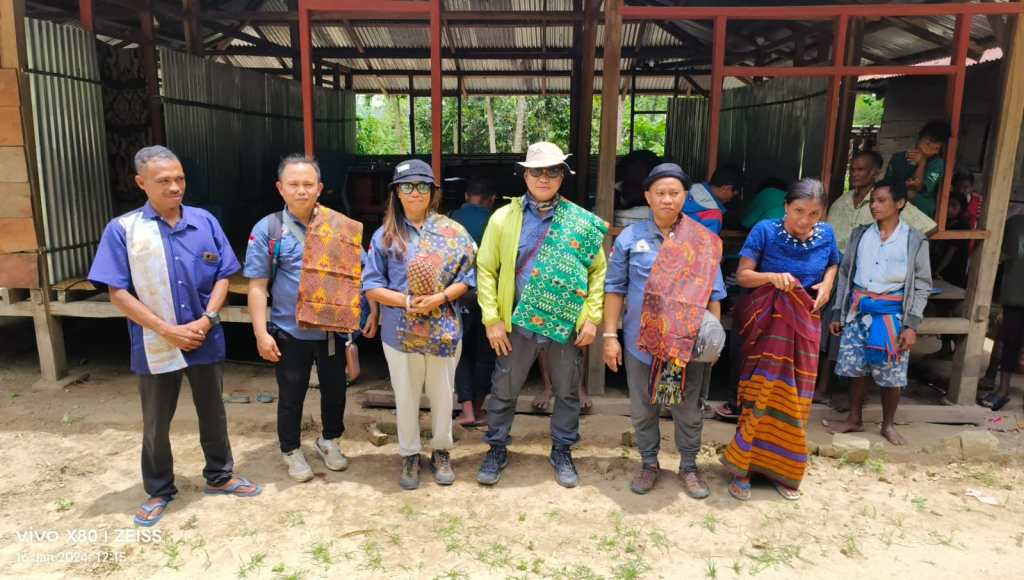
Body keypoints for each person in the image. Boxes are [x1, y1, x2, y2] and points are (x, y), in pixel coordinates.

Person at [88, 146, 261, 527]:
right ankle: (159, 489)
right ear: (141, 183)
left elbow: (224, 275)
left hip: (203, 336)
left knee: (213, 410)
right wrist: (167, 330)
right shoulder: (124, 230)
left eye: (179, 178)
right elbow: (117, 292)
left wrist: (208, 318)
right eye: (163, 180)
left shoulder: (204, 221)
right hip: (156, 341)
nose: (174, 187)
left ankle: (220, 475)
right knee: (156, 419)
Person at [475, 142, 607, 488]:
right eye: (537, 171)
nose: (544, 178)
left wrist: (592, 317)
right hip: (516, 324)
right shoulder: (503, 219)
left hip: (565, 323)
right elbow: (486, 269)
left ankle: (562, 450)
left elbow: (597, 272)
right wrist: (492, 319)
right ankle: (496, 448)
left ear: (563, 176)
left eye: (553, 171)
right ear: (525, 175)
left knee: (567, 390)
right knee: (504, 388)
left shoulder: (580, 222)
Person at [245, 154, 376, 483]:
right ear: (280, 188)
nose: (301, 190)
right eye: (294, 184)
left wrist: (372, 310)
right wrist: (261, 333)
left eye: (308, 184)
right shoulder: (269, 229)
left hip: (332, 331)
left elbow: (363, 272)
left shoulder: (340, 227)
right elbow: (258, 286)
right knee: (291, 393)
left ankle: (329, 440)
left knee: (335, 391)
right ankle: (291, 449)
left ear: (320, 188)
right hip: (290, 331)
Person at [603, 163, 727, 497]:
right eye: (660, 193)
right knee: (644, 408)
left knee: (686, 409)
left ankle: (689, 466)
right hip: (640, 344)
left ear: (685, 196)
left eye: (674, 193)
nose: (667, 199)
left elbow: (713, 295)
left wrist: (713, 343)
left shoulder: (703, 241)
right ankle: (648, 463)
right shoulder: (630, 238)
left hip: (685, 345)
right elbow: (614, 289)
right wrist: (610, 337)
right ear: (648, 197)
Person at [721, 178, 840, 501]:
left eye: (813, 214)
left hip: (806, 323)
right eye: (798, 211)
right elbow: (743, 275)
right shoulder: (765, 231)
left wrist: (827, 285)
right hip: (767, 326)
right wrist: (772, 277)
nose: (805, 220)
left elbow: (833, 263)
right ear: (786, 206)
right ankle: (743, 469)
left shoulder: (826, 234)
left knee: (796, 399)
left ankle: (782, 471)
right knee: (759, 394)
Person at [363, 159, 477, 490]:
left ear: (432, 192)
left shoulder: (453, 232)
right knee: (406, 396)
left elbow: (468, 278)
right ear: (397, 193)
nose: (415, 192)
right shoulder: (385, 236)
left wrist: (440, 298)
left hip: (443, 329)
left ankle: (441, 451)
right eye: (407, 186)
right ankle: (410, 454)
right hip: (400, 331)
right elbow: (371, 285)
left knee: (442, 395)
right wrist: (407, 301)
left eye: (422, 186)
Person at [827, 181, 932, 446]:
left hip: (891, 317)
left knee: (892, 374)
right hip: (858, 311)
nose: (874, 205)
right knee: (857, 368)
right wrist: (838, 312)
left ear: (900, 204)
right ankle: (854, 419)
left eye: (882, 200)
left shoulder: (914, 240)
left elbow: (922, 284)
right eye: (873, 200)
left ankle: (888, 425)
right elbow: (845, 274)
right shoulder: (861, 235)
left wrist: (912, 325)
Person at [450, 178, 497, 426]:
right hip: (489, 295)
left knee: (461, 353)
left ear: (467, 196)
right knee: (486, 353)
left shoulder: (450, 219)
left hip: (458, 294)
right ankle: (478, 410)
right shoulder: (496, 220)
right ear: (491, 199)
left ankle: (466, 410)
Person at [829, 150, 936, 254]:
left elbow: (928, 227)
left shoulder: (888, 199)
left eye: (860, 170)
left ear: (875, 173)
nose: (854, 174)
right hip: (839, 263)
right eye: (852, 170)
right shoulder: (842, 201)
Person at [981, 214, 1024, 411]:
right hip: (1014, 295)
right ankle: (1003, 389)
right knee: (1009, 342)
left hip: (1014, 293)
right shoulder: (1015, 224)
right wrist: (999, 302)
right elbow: (999, 257)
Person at [929, 193, 970, 359]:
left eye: (954, 206)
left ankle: (954, 349)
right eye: (949, 205)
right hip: (941, 273)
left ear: (961, 209)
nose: (950, 209)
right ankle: (945, 348)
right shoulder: (943, 223)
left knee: (952, 311)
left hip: (952, 275)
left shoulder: (961, 226)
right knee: (942, 310)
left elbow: (951, 253)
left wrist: (936, 270)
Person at [884, 120, 952, 219]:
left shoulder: (937, 163)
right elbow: (887, 185)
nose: (929, 148)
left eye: (936, 147)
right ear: (919, 138)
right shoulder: (898, 158)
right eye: (927, 142)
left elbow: (916, 186)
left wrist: (922, 163)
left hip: (921, 213)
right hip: (895, 211)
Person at [683, 165, 743, 235]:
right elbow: (707, 241)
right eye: (734, 194)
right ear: (726, 188)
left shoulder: (682, 191)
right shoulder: (713, 215)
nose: (731, 198)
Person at [613, 149, 661, 228]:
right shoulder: (614, 191)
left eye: (641, 169)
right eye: (635, 168)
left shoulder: (658, 196)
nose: (638, 173)